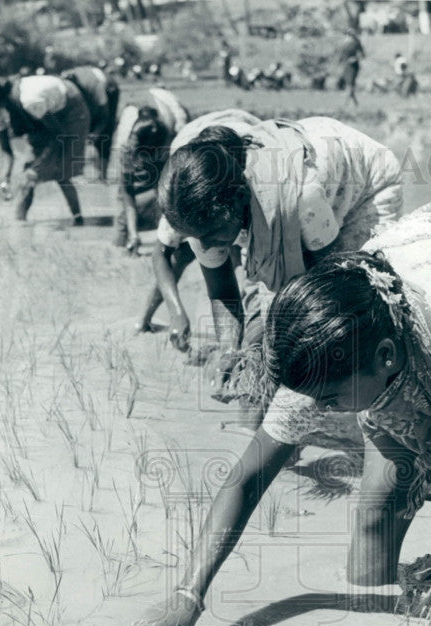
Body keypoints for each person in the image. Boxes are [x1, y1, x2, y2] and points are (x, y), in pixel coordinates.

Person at [115, 194, 431, 626]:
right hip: (422, 264)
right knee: (376, 515)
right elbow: (249, 476)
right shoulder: (329, 354)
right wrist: (188, 597)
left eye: (330, 401)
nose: (320, 412)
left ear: (386, 359)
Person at [155, 116, 404, 397]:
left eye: (211, 235)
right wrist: (229, 351)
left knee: (343, 309)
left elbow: (330, 282)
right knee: (269, 316)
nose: (203, 245)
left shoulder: (299, 199)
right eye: (195, 238)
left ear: (239, 198)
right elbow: (223, 291)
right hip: (316, 183)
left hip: (366, 182)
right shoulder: (199, 215)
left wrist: (280, 358)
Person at [137, 109, 262, 349]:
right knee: (183, 254)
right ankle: (143, 320)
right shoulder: (179, 190)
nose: (203, 245)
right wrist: (176, 313)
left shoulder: (258, 181)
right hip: (195, 163)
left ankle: (244, 335)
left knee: (243, 262)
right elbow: (161, 253)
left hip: (241, 142)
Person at [0, 70, 91, 224]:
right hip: (42, 118)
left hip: (69, 108)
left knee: (57, 172)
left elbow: (59, 135)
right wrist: (5, 180)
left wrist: (38, 167)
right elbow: (7, 151)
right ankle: (21, 221)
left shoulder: (29, 99)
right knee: (31, 172)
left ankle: (77, 220)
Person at [110, 85, 190, 252]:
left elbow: (164, 190)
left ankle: (170, 239)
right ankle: (124, 239)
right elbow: (128, 193)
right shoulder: (126, 139)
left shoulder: (174, 129)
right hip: (137, 137)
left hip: (170, 127)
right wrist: (134, 235)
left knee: (168, 190)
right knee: (123, 192)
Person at [61, 65, 120, 180]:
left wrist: (96, 132)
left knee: (105, 134)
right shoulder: (62, 86)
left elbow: (105, 116)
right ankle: (79, 171)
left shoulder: (94, 87)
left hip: (108, 88)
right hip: (87, 94)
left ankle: (103, 175)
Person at [338, 28, 364, 106]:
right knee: (349, 83)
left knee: (350, 83)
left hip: (353, 65)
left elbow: (362, 54)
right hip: (346, 65)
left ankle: (346, 103)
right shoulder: (345, 43)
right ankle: (355, 103)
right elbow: (341, 55)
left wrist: (355, 58)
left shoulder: (356, 43)